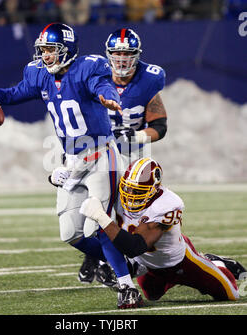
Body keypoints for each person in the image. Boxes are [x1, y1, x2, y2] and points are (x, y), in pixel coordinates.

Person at [0, 22, 137, 308]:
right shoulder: (38, 74)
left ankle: (127, 286)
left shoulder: (89, 67)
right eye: (44, 50)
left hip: (101, 154)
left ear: (67, 50)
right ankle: (118, 258)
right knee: (71, 233)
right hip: (72, 159)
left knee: (98, 224)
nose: (46, 56)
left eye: (51, 50)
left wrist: (109, 98)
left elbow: (103, 86)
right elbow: (13, 95)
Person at [80, 157, 245, 302]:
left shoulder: (167, 204)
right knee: (152, 296)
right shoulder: (118, 193)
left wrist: (101, 217)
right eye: (127, 188)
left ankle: (216, 262)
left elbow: (135, 247)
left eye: (137, 191)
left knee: (231, 294)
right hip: (149, 265)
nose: (130, 194)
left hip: (181, 262)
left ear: (154, 190)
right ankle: (140, 269)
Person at [77, 28, 167, 288]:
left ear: (137, 55)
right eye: (116, 53)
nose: (122, 59)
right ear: (108, 55)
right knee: (94, 204)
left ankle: (112, 260)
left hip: (131, 156)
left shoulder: (149, 80)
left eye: (127, 54)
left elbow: (160, 126)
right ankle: (94, 255)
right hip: (98, 150)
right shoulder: (95, 76)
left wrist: (136, 136)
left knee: (127, 209)